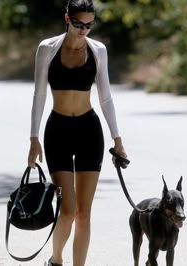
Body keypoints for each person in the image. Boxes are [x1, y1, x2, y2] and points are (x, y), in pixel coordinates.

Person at [28, 0, 127, 265]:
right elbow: (39, 94)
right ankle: (56, 260)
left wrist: (117, 138)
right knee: (68, 210)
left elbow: (105, 97)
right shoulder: (47, 49)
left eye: (89, 25)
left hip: (89, 131)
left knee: (84, 213)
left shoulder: (98, 51)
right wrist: (33, 138)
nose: (84, 29)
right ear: (67, 19)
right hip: (57, 131)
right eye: (79, 24)